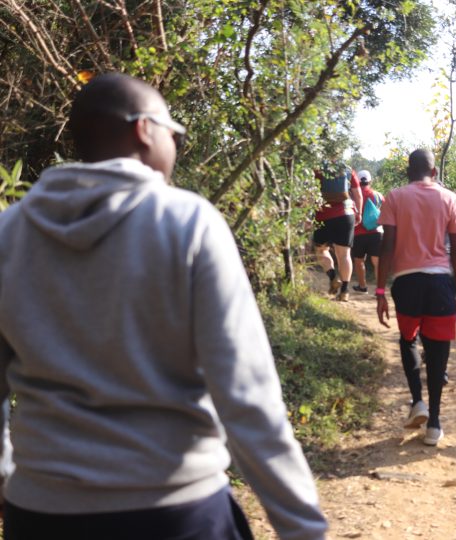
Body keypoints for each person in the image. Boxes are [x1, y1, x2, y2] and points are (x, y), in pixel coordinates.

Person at [0, 73, 327, 540]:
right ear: (143, 130)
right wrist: (302, 528)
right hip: (174, 512)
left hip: (39, 513)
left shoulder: (9, 233)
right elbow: (246, 394)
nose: (176, 141)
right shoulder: (187, 223)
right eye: (174, 131)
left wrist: (8, 481)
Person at [376, 148, 456, 446]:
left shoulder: (394, 197)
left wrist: (380, 291)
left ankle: (417, 401)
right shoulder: (450, 198)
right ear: (435, 173)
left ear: (408, 172)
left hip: (406, 283)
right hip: (441, 283)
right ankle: (435, 424)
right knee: (438, 350)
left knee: (408, 339)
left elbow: (387, 247)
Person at [313, 159, 363, 302]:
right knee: (344, 254)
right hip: (346, 214)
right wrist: (358, 213)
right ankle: (345, 291)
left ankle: (333, 276)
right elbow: (358, 194)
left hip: (323, 215)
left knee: (321, 250)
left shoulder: (318, 170)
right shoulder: (348, 170)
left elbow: (312, 194)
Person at [351, 169, 384, 294]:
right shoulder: (378, 195)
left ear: (357, 181)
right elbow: (385, 211)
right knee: (377, 261)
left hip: (359, 232)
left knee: (359, 260)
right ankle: (379, 289)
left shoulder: (353, 195)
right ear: (370, 181)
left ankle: (362, 286)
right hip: (376, 232)